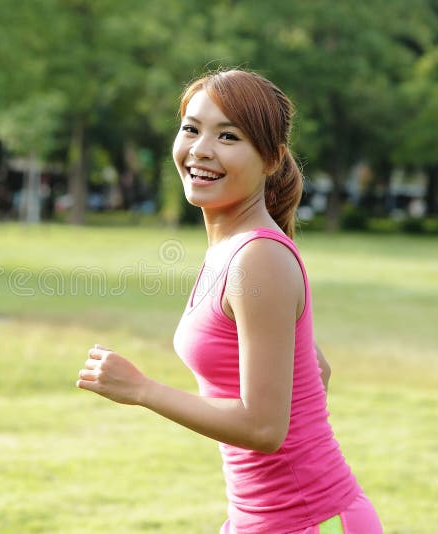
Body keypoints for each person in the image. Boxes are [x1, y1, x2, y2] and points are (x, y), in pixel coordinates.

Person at [75, 69, 382, 533]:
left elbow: (263, 428)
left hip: (309, 520)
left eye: (228, 136)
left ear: (271, 159)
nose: (201, 149)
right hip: (261, 519)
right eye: (191, 129)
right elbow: (315, 369)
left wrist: (142, 389)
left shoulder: (256, 257)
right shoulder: (233, 250)